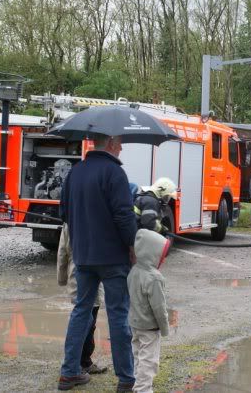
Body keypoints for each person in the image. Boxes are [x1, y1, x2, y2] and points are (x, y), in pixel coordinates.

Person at [58, 134, 137, 392]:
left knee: (81, 310)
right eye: (121, 143)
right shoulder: (115, 173)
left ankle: (69, 372)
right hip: (113, 258)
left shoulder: (75, 172)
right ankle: (125, 379)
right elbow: (124, 216)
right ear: (112, 143)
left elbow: (64, 213)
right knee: (118, 313)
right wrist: (132, 246)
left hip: (83, 255)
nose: (123, 148)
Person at [57, 223, 108, 375]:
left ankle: (84, 361)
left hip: (85, 281)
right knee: (84, 325)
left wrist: (61, 278)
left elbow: (62, 253)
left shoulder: (70, 222)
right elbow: (63, 253)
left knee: (89, 325)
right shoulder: (95, 220)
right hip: (84, 281)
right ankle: (75, 365)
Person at [127, 229, 171, 393]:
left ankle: (138, 385)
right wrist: (165, 328)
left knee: (138, 354)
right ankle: (144, 389)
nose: (163, 259)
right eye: (161, 255)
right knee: (149, 360)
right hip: (150, 328)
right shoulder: (154, 278)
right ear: (151, 253)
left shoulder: (133, 271)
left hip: (135, 323)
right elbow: (159, 308)